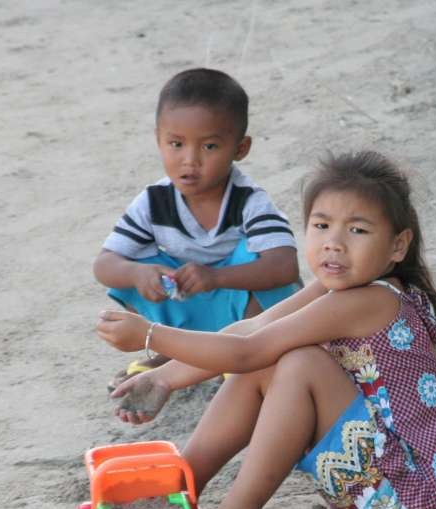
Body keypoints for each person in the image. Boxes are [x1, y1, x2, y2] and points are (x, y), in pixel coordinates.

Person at [96, 150, 436, 509]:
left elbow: (248, 350)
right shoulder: (331, 289)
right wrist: (165, 377)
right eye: (322, 225)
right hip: (381, 467)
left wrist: (150, 334)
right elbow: (250, 332)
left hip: (403, 490)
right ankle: (182, 484)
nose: (334, 242)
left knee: (297, 362)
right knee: (274, 356)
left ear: (397, 245)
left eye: (358, 230)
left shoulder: (371, 299)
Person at [93, 68, 300, 383]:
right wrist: (138, 273)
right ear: (158, 139)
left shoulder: (249, 201)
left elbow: (286, 267)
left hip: (240, 321)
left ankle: (230, 359)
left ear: (240, 148)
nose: (190, 159)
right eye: (176, 144)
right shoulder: (153, 201)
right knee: (130, 266)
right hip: (186, 306)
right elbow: (104, 265)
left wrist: (216, 277)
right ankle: (173, 353)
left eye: (210, 147)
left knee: (259, 256)